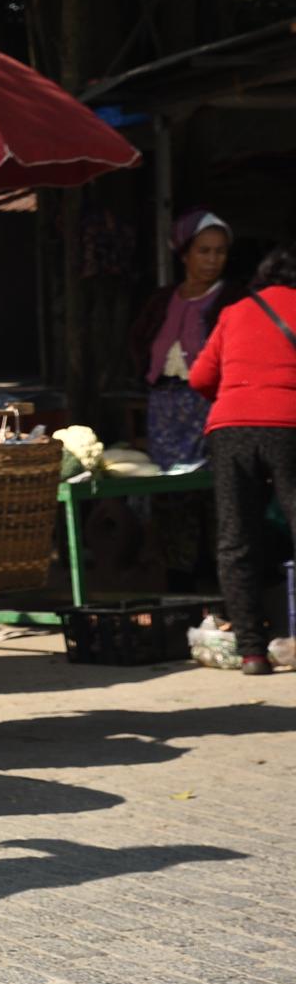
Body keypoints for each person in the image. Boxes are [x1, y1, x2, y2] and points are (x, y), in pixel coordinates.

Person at [190, 242, 296, 677]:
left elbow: (199, 377)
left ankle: (252, 652)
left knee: (236, 539)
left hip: (230, 427)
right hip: (289, 426)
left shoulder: (235, 310)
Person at [130, 209, 243, 470]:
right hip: (164, 403)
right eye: (204, 251)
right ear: (184, 255)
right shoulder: (162, 300)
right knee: (164, 474)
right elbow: (139, 339)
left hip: (209, 404)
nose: (213, 260)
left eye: (220, 252)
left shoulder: (233, 299)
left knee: (206, 476)